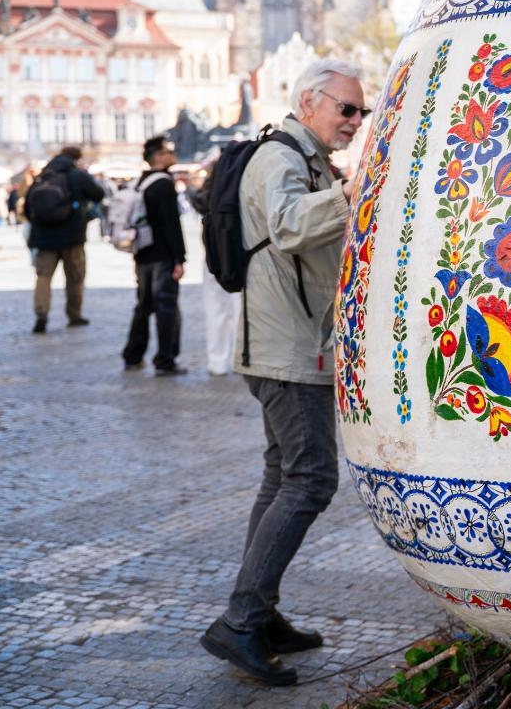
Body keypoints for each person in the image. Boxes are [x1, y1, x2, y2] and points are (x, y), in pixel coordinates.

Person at [201, 58, 368, 687]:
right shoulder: (281, 157)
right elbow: (291, 226)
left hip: (295, 340)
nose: (355, 120)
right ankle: (241, 622)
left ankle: (260, 615)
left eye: (361, 111)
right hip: (286, 345)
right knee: (310, 479)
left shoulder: (310, 159)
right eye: (346, 108)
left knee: (282, 478)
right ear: (309, 102)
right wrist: (347, 195)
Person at [121, 136, 187, 376]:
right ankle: (165, 359)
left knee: (144, 305)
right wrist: (179, 258)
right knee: (166, 307)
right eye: (168, 151)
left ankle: (132, 355)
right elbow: (171, 225)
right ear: (158, 156)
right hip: (162, 255)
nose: (173, 154)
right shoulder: (164, 184)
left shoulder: (142, 182)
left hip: (143, 253)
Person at [24, 146, 105, 334]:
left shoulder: (42, 176)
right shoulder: (77, 175)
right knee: (75, 277)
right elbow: (98, 194)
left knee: (43, 276)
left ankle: (41, 314)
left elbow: (28, 208)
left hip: (43, 237)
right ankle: (74, 314)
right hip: (72, 236)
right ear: (76, 158)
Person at [188, 161, 241, 376]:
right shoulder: (241, 179)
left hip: (214, 252)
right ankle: (239, 357)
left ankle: (217, 361)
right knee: (239, 306)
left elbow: (198, 200)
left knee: (215, 308)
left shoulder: (213, 185)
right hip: (238, 252)